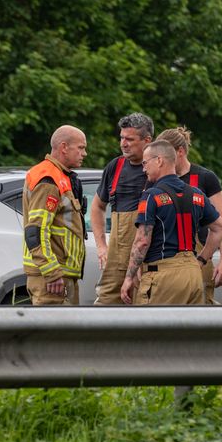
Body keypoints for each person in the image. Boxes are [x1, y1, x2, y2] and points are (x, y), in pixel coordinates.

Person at [120, 142, 222, 305]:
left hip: (163, 276)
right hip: (193, 275)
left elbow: (142, 241)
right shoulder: (196, 194)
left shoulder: (151, 196)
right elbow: (221, 227)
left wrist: (129, 277)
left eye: (145, 163)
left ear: (159, 160)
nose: (143, 169)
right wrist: (201, 260)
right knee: (188, 330)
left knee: (152, 329)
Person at [154, 127, 222, 303]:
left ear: (180, 152)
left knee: (201, 311)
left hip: (199, 257)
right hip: (165, 259)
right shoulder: (157, 178)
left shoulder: (205, 178)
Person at [21, 125, 88, 305]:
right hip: (52, 279)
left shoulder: (60, 176)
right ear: (64, 147)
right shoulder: (49, 180)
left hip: (60, 276)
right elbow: (35, 231)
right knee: (53, 333)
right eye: (81, 148)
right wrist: (51, 272)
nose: (85, 153)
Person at [92, 113, 154, 305]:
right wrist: (102, 246)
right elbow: (97, 207)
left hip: (148, 258)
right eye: (121, 138)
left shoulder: (158, 168)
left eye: (129, 139)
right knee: (106, 305)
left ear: (147, 140)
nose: (123, 143)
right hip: (117, 257)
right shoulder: (115, 166)